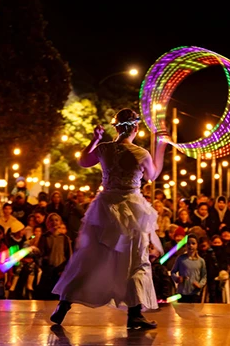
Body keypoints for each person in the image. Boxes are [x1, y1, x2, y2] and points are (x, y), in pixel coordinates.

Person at [51, 108, 167, 330]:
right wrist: (161, 146)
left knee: (90, 258)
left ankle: (64, 304)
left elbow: (83, 161)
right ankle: (134, 313)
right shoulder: (140, 153)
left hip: (104, 208)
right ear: (135, 127)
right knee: (136, 260)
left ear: (116, 127)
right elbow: (152, 175)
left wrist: (94, 139)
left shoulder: (104, 149)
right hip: (131, 209)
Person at [171, 233, 207, 303]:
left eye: (193, 243)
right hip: (182, 291)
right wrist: (177, 278)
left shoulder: (201, 261)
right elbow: (173, 272)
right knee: (183, 312)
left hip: (195, 292)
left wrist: (200, 285)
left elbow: (204, 276)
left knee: (194, 312)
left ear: (197, 245)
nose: (191, 246)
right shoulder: (181, 259)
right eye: (188, 243)